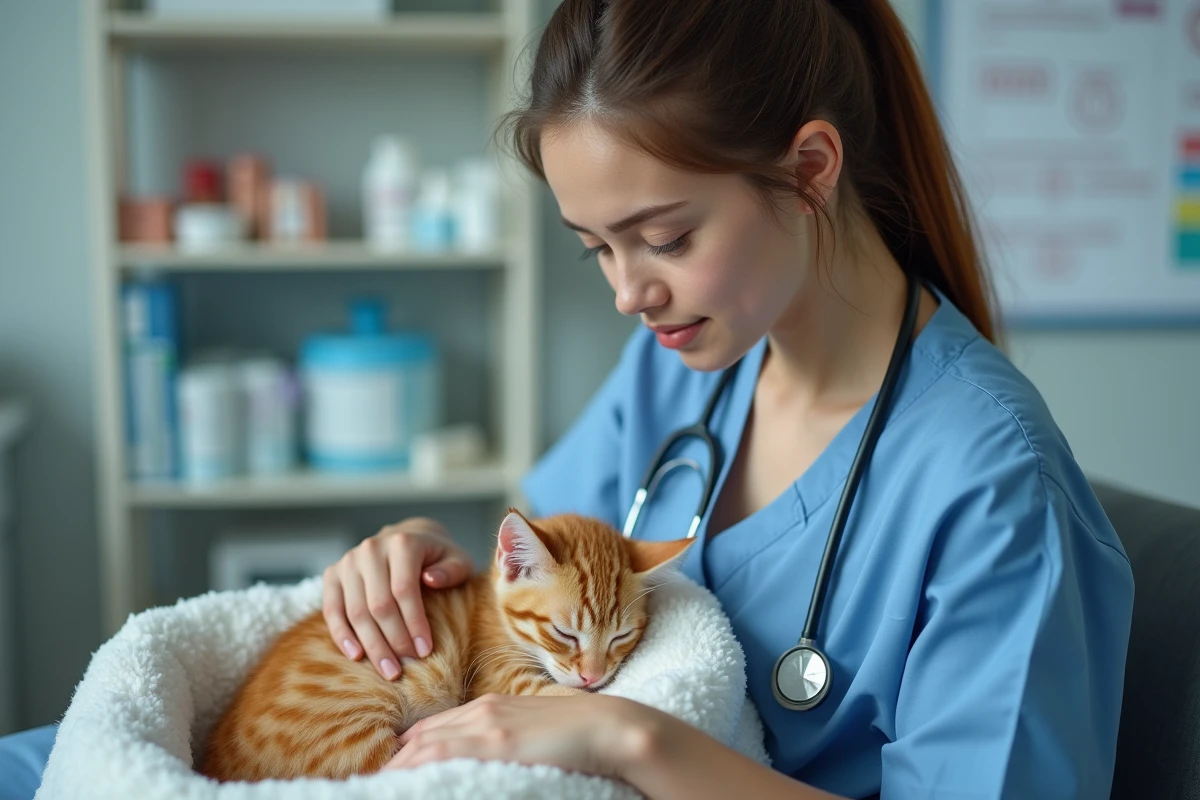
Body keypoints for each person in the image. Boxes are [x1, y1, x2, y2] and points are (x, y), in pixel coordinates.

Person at [0, 1, 1134, 798]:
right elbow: (533, 562)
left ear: (811, 168)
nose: (629, 293)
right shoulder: (688, 358)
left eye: (666, 237)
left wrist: (624, 732)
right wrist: (418, 553)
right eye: (595, 247)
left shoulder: (992, 490)